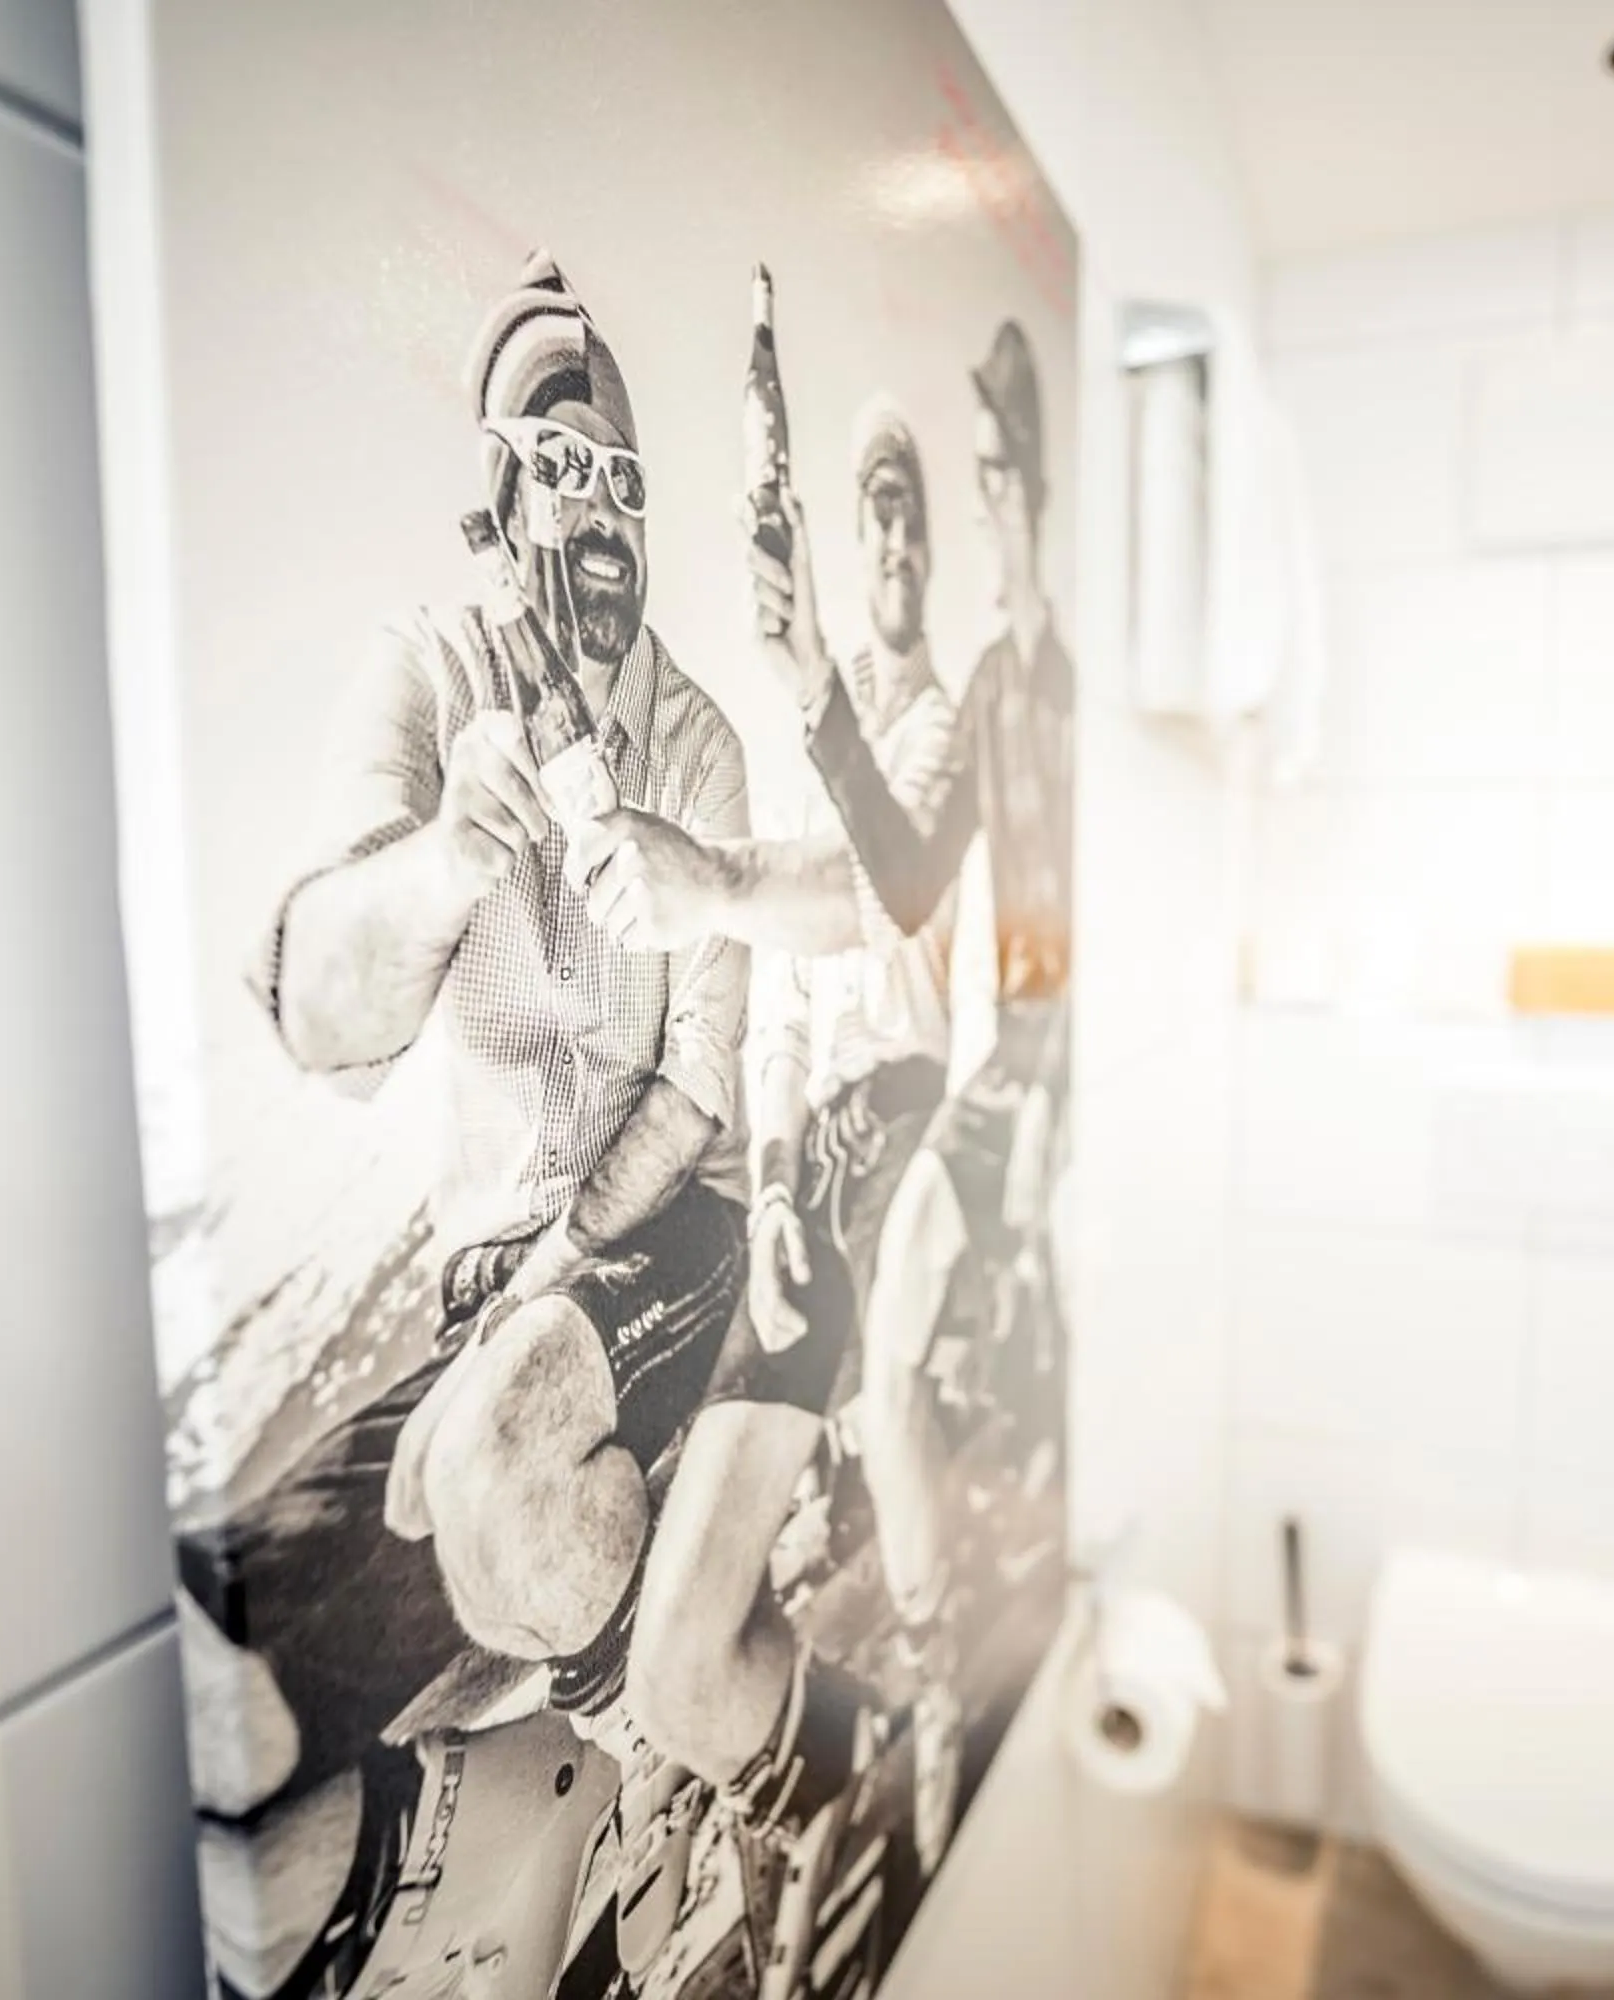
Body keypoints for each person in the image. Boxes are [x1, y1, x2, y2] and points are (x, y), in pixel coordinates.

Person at [177, 250, 753, 2000]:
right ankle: (483, 1835)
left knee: (497, 1446)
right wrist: (450, 856)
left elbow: (704, 1083)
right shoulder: (435, 668)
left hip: (660, 1225)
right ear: (497, 515)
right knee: (233, 1683)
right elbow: (322, 1016)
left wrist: (565, 1262)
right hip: (485, 1271)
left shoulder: (699, 745)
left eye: (623, 486)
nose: (599, 526)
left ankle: (641, 1789)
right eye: (556, 474)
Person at [620, 404, 963, 1941]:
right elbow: (762, 1017)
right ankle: (836, 1760)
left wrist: (721, 874)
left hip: (897, 1143)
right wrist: (762, 1190)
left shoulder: (937, 731)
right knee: (675, 1654)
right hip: (808, 1177)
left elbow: (882, 893)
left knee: (687, 1651)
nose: (895, 539)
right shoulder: (798, 742)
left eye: (915, 517)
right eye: (875, 508)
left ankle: (862, 1752)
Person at [749, 322, 1073, 1631]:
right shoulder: (999, 686)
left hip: (1046, 1071)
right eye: (974, 477)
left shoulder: (1045, 694)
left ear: (1030, 496)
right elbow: (909, 878)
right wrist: (812, 677)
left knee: (971, 1320)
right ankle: (933, 1642)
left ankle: (969, 1594)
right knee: (885, 1352)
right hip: (1011, 1068)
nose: (987, 513)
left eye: (998, 480)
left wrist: (1055, 1093)